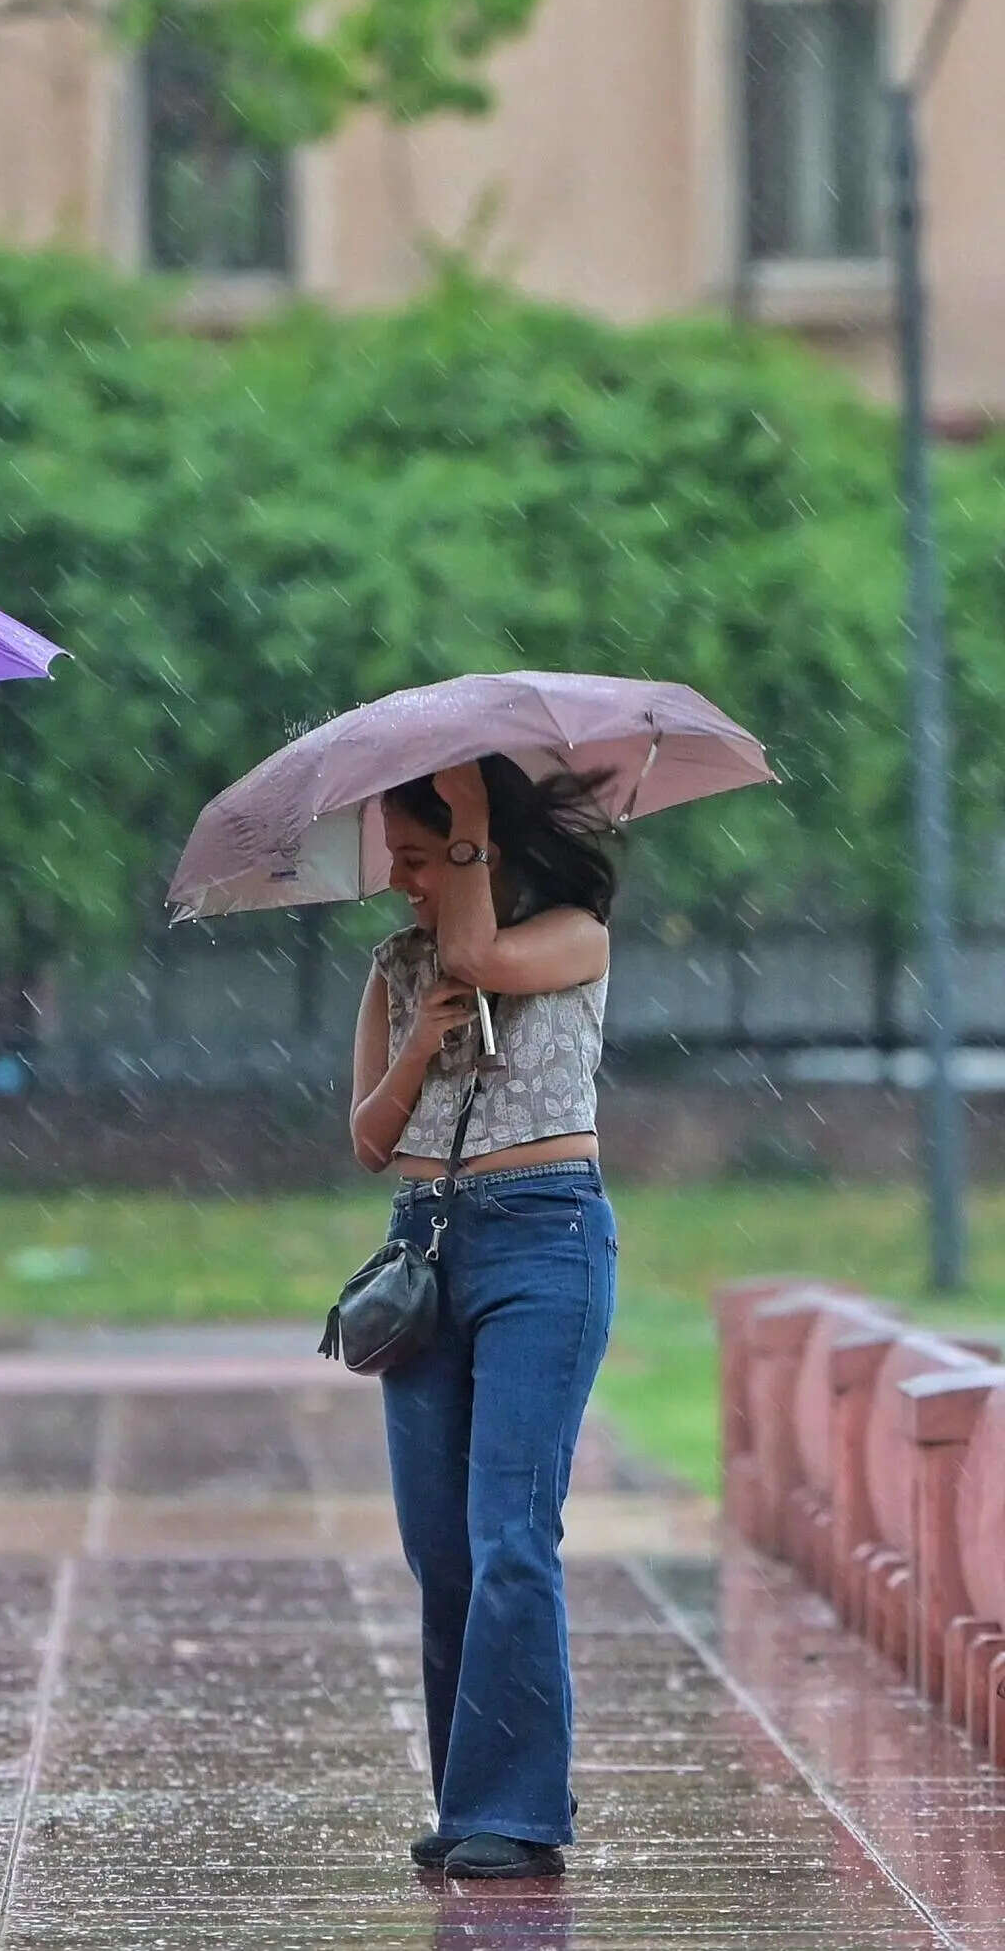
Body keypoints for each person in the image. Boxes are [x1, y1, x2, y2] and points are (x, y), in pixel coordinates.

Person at [349, 756, 617, 1882]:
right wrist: (420, 1038)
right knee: (441, 1544)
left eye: (416, 856)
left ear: (482, 845)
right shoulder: (394, 965)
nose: (398, 879)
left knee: (512, 1528)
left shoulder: (572, 935)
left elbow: (481, 954)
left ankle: (517, 1808)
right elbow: (370, 1139)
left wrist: (463, 817)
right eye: (397, 858)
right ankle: (469, 1796)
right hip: (425, 1243)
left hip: (545, 1237)